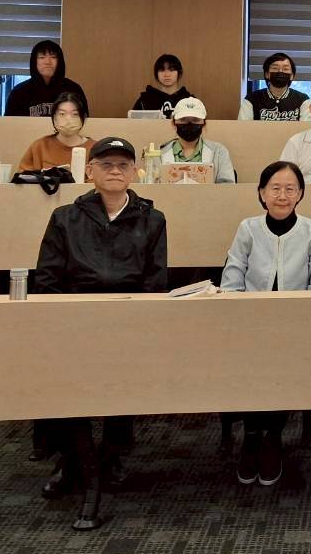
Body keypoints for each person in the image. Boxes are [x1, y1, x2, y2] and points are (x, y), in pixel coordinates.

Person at [34, 136, 168, 530]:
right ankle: (72, 459)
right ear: (89, 170)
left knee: (124, 379)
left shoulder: (153, 219)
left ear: (134, 172)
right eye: (106, 164)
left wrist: (133, 319)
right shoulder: (65, 217)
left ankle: (110, 457)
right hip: (74, 321)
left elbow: (155, 280)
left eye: (123, 165)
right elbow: (47, 278)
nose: (114, 171)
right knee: (66, 383)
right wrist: (70, 319)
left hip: (128, 321)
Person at [222, 160, 311, 486]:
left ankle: (273, 436)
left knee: (285, 364)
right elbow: (232, 277)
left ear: (300, 194)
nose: (282, 196)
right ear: (261, 193)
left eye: (290, 189)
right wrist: (242, 314)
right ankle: (251, 434)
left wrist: (300, 318)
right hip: (250, 322)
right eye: (275, 188)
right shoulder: (248, 228)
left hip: (295, 324)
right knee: (251, 363)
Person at [5, 40, 89, 118]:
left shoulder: (73, 90)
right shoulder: (19, 92)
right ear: (34, 62)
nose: (48, 62)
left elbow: (83, 122)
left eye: (53, 57)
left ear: (60, 61)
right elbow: (9, 124)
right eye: (42, 57)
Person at [160, 97, 236, 183]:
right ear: (173, 123)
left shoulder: (219, 152)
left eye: (195, 120)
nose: (189, 124)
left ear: (204, 123)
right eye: (183, 120)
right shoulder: (159, 154)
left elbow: (228, 187)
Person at [17, 92, 93, 172]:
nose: (68, 119)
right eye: (62, 114)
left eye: (75, 114)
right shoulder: (39, 146)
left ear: (83, 118)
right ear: (54, 118)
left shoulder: (94, 149)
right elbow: (22, 176)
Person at [238, 52, 310, 121]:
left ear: (292, 76)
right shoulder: (251, 99)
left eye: (285, 69)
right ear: (267, 74)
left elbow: (307, 127)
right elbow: (242, 127)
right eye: (275, 68)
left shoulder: (303, 100)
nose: (280, 71)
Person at [132, 54, 192, 118]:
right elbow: (133, 122)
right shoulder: (145, 100)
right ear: (156, 74)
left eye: (171, 70)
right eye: (162, 70)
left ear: (179, 73)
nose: (167, 75)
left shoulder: (190, 100)